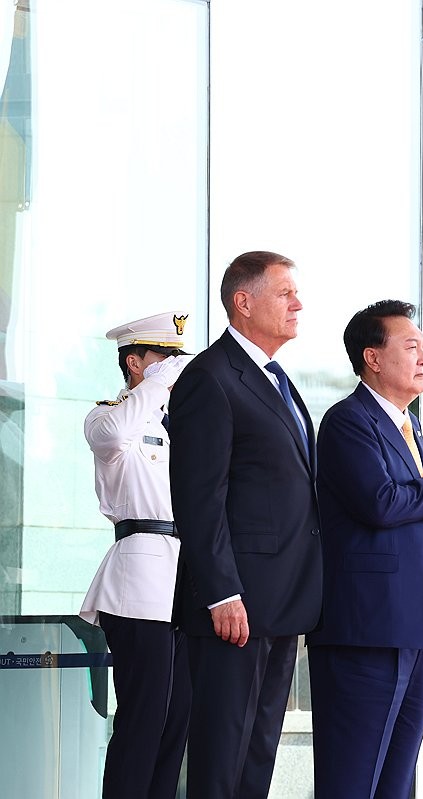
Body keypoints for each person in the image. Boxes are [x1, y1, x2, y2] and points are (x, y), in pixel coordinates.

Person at [168, 251, 322, 798]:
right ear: (244, 301)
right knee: (220, 758)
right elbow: (198, 499)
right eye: (285, 293)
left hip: (280, 604)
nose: (298, 303)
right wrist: (220, 592)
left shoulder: (278, 379)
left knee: (258, 755)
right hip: (234, 606)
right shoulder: (209, 378)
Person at [307, 299, 423, 797]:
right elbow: (379, 503)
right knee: (353, 778)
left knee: (397, 781)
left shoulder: (408, 425)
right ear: (372, 357)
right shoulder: (348, 420)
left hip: (418, 629)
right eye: (410, 346)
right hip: (367, 631)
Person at [79, 312, 192, 799]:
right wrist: (153, 384)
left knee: (176, 722)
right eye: (163, 357)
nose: (173, 367)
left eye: (176, 359)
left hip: (184, 582)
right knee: (143, 720)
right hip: (138, 584)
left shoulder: (177, 424)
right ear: (134, 362)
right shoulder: (108, 416)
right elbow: (113, 436)